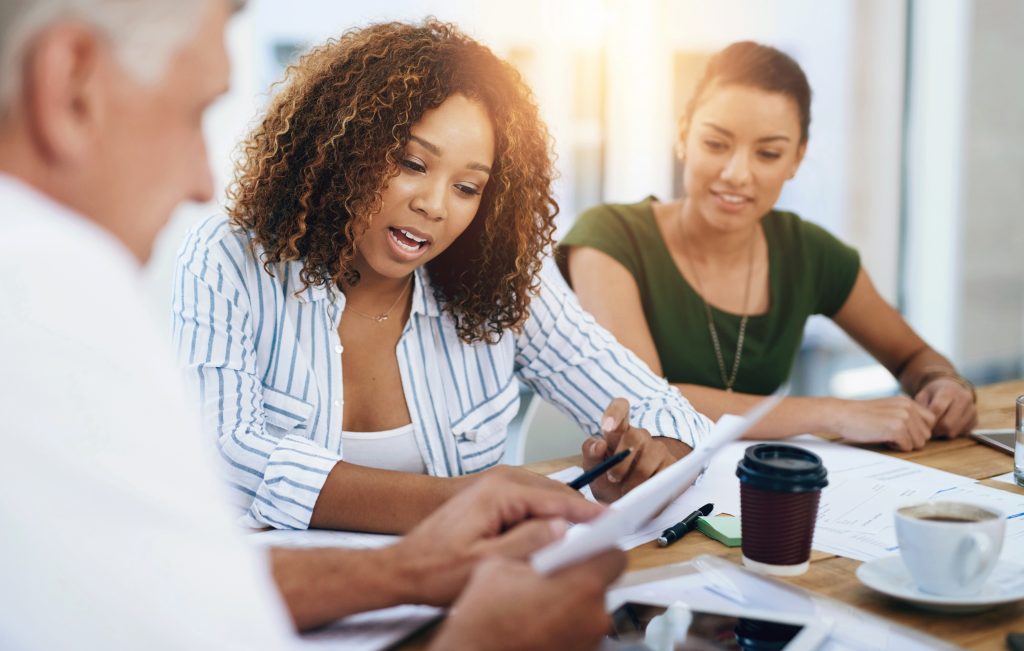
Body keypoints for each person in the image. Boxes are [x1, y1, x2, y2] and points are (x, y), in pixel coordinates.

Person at [0, 1, 624, 649]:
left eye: (468, 186)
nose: (200, 181)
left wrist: (408, 569)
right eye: (193, 116)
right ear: (72, 86)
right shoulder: (40, 290)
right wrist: (479, 638)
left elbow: (176, 584)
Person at [170, 19, 713, 530]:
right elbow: (226, 454)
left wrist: (647, 460)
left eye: (467, 188)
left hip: (460, 608)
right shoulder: (230, 259)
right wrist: (465, 499)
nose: (435, 206)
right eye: (412, 164)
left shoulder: (500, 279)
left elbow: (665, 409)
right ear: (346, 148)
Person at [559, 41, 977, 451]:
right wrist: (834, 413)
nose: (737, 174)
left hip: (755, 489)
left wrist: (943, 383)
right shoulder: (610, 237)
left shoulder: (808, 252)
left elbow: (914, 356)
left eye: (768, 153)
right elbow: (645, 401)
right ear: (684, 135)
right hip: (632, 496)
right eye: (716, 144)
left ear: (796, 159)